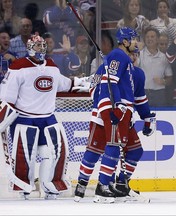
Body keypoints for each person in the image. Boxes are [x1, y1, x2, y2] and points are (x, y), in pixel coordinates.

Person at [0, 34, 85, 200]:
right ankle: (24, 188)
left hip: (47, 118)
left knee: (53, 154)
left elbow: (66, 84)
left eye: (43, 46)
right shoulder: (18, 67)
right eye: (38, 46)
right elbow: (7, 97)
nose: (41, 49)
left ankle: (50, 186)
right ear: (30, 47)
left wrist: (87, 82)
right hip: (24, 119)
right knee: (26, 156)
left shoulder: (51, 66)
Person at [74, 50, 156, 203]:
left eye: (136, 53)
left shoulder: (138, 73)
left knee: (134, 150)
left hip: (125, 115)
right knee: (95, 150)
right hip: (105, 113)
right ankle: (83, 184)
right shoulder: (106, 66)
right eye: (131, 53)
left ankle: (120, 184)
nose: (133, 56)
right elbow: (94, 89)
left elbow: (139, 98)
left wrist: (147, 117)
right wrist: (108, 106)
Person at [76, 26, 138, 203]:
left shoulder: (115, 59)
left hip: (106, 107)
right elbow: (110, 84)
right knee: (112, 144)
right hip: (113, 107)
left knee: (96, 148)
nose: (136, 43)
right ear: (125, 41)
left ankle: (86, 185)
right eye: (133, 39)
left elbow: (94, 85)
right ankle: (102, 186)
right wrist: (116, 105)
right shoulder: (118, 56)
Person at [139, 27, 173, 106]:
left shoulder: (164, 57)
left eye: (152, 37)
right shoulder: (139, 54)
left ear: (157, 39)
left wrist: (163, 81)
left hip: (159, 94)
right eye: (147, 37)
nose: (149, 39)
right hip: (142, 92)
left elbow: (170, 78)